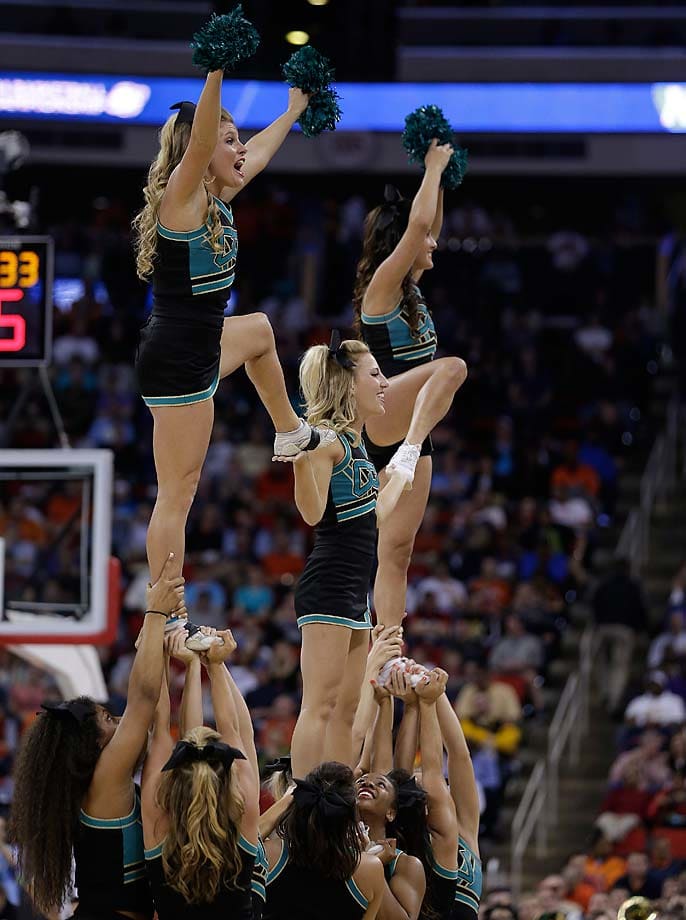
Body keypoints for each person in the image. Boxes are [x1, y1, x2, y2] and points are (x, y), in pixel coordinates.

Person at [132, 22, 328, 643]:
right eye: (229, 138)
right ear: (199, 148)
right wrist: (215, 73)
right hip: (179, 358)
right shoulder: (182, 199)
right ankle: (166, 609)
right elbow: (200, 145)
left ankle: (290, 433)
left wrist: (294, 105)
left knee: (261, 330)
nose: (240, 148)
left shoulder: (220, 195)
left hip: (198, 344)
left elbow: (263, 152)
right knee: (178, 493)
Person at [8, 553, 183, 919]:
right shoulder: (106, 780)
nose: (118, 720)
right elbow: (142, 702)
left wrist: (158, 646)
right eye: (107, 718)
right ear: (90, 743)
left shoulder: (104, 784)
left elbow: (155, 713)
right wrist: (155, 615)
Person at [352, 142, 468, 627]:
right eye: (422, 241)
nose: (435, 243)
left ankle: (388, 645)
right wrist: (435, 165)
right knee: (452, 367)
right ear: (401, 243)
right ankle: (408, 451)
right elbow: (419, 227)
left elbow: (428, 225)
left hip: (408, 432)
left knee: (397, 553)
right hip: (386, 418)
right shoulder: (382, 287)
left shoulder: (412, 285)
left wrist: (433, 177)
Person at [286, 336, 404, 778]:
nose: (384, 382)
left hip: (356, 591)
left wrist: (403, 468)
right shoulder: (329, 443)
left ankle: (336, 794)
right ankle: (302, 801)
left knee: (348, 708)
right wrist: (300, 457)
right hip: (330, 584)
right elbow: (312, 512)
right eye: (374, 374)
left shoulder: (359, 449)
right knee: (319, 704)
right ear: (347, 385)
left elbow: (373, 517)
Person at [141, 627, 259, 917]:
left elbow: (159, 730)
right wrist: (214, 666)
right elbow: (236, 730)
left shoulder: (157, 815)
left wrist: (168, 656)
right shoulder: (243, 808)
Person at [263, 761, 385, 919]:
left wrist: (287, 799)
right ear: (351, 818)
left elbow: (244, 843)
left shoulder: (270, 855)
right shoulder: (370, 869)